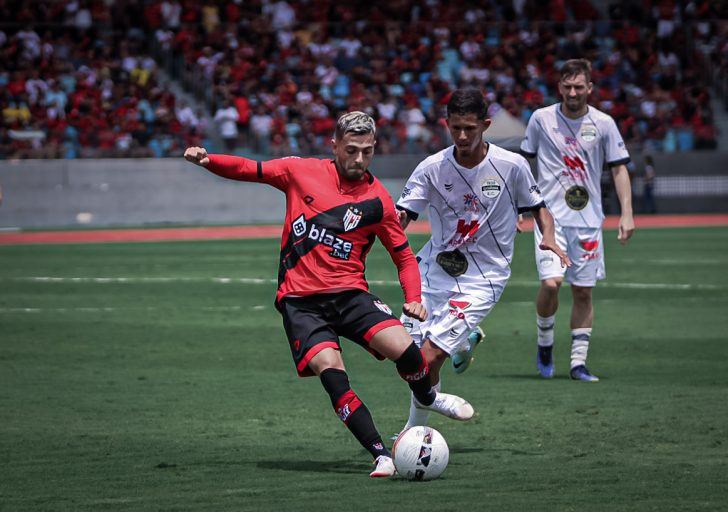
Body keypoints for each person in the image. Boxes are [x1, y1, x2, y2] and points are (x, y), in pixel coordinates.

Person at [183, 111, 473, 478]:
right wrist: (209, 160)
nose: (359, 159)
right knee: (332, 374)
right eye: (351, 150)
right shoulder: (299, 171)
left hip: (350, 294)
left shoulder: (379, 201)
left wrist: (413, 297)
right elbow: (250, 169)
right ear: (334, 146)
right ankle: (381, 455)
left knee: (406, 350)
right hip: (301, 303)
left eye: (367, 151)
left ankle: (428, 397)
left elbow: (402, 256)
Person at [395, 89, 570, 431]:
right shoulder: (431, 168)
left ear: (486, 125)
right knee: (408, 359)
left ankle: (413, 435)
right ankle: (463, 339)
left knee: (428, 359)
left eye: (470, 128)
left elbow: (538, 207)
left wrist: (548, 235)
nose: (462, 136)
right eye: (456, 128)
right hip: (433, 268)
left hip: (483, 277)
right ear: (446, 124)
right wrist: (391, 222)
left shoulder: (511, 165)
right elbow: (404, 213)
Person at [519, 58, 635, 382]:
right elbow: (523, 165)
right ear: (559, 87)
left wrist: (627, 213)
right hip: (549, 219)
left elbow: (619, 168)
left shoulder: (604, 123)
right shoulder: (541, 119)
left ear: (590, 88)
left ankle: (578, 363)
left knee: (583, 292)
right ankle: (545, 342)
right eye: (567, 86)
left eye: (579, 86)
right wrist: (519, 207)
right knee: (551, 283)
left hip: (588, 221)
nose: (573, 92)